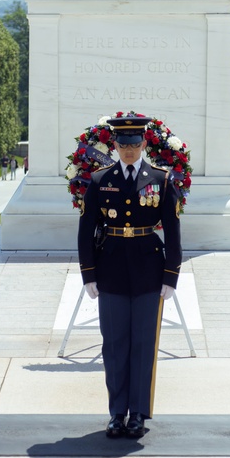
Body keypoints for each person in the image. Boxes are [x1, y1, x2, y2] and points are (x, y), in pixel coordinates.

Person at [77, 115, 182, 439]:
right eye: (123, 145)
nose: (129, 151)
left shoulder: (161, 180)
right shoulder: (99, 180)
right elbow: (86, 232)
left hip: (149, 273)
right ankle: (116, 413)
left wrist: (170, 276)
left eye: (135, 145)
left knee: (142, 345)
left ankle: (137, 413)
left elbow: (174, 234)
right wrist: (89, 274)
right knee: (114, 346)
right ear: (115, 146)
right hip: (110, 273)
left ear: (144, 144)